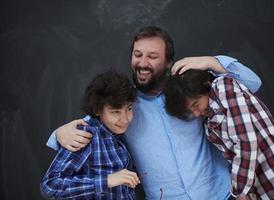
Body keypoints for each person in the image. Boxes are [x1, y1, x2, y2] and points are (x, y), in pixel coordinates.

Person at [46, 26, 262, 199]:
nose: (142, 63)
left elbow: (253, 82)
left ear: (168, 62)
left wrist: (211, 62)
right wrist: (58, 133)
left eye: (152, 56)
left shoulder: (189, 91)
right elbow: (87, 127)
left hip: (221, 194)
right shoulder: (123, 105)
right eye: (137, 54)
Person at [164, 69, 274, 200]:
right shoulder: (209, 125)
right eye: (190, 110)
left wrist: (239, 192)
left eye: (196, 104)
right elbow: (235, 160)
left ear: (206, 85)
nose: (196, 113)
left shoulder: (223, 86)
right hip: (257, 193)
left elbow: (246, 141)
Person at [41, 71, 140, 199]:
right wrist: (106, 181)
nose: (125, 119)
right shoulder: (85, 135)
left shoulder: (117, 134)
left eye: (129, 109)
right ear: (97, 110)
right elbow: (49, 186)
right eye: (116, 112)